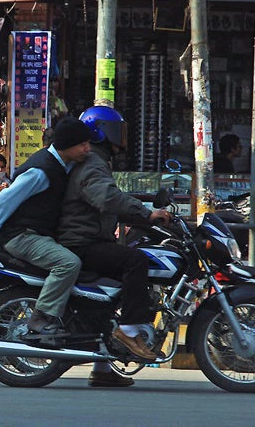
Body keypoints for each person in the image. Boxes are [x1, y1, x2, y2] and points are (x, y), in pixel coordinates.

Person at [57, 106, 171, 386]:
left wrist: (142, 212)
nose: (122, 137)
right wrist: (146, 214)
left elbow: (111, 199)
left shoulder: (97, 160)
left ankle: (103, 369)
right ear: (102, 131)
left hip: (88, 237)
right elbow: (107, 199)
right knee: (136, 261)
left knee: (110, 298)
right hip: (81, 241)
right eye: (117, 130)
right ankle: (129, 331)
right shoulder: (93, 162)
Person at [0, 116, 94, 337]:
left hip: (39, 233)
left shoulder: (63, 166)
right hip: (21, 235)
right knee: (68, 264)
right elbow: (4, 201)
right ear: (66, 145)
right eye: (82, 144)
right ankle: (41, 318)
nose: (87, 149)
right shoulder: (41, 170)